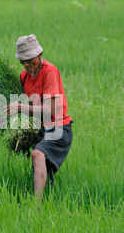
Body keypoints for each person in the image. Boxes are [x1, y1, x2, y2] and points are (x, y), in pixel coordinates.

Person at [4, 34, 73, 204]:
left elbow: (50, 110)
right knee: (43, 171)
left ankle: (36, 207)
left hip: (59, 127)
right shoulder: (24, 77)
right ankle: (47, 200)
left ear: (40, 55)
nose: (28, 65)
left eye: (31, 60)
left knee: (37, 154)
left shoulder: (50, 72)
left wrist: (19, 107)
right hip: (42, 129)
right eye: (24, 62)